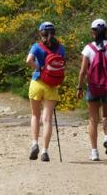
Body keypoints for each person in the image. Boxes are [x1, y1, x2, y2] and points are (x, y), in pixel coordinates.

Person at [76, 19, 107, 161]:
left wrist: (79, 87)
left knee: (93, 119)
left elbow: (83, 71)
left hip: (93, 88)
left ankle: (94, 152)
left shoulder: (88, 48)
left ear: (93, 32)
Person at [26, 21, 65, 162]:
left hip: (37, 82)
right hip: (52, 85)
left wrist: (38, 68)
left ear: (40, 33)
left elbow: (28, 60)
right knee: (47, 119)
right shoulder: (60, 48)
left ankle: (34, 143)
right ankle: (45, 151)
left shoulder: (37, 47)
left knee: (35, 115)